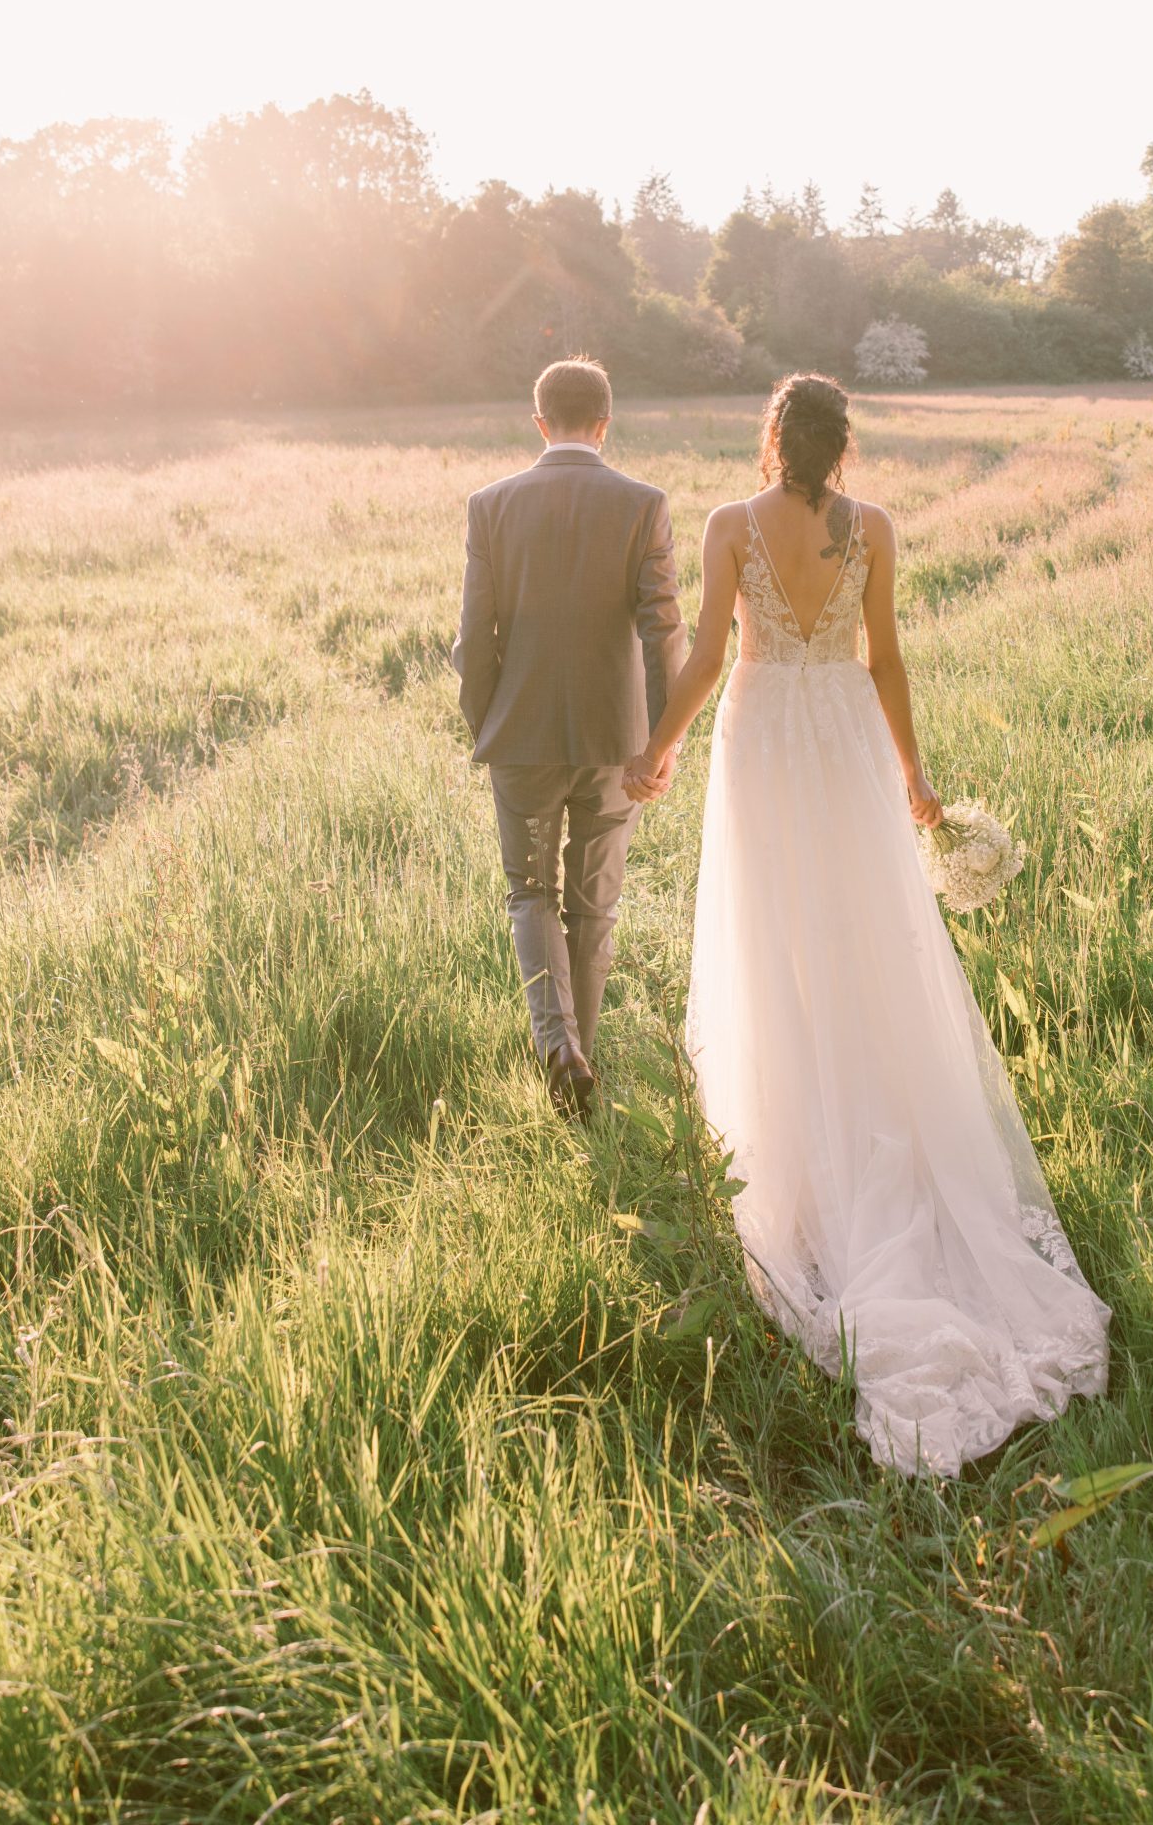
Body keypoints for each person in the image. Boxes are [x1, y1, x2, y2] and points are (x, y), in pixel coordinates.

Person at [624, 372, 1110, 1475]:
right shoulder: (874, 528)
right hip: (842, 737)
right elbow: (884, 656)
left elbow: (705, 657)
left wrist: (655, 750)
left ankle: (799, 1155)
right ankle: (871, 1120)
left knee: (776, 938)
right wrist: (916, 776)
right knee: (862, 934)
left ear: (771, 442)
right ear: (842, 448)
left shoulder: (729, 524)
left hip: (761, 739)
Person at [453, 356, 686, 1117]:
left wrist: (484, 722)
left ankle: (559, 1048)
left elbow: (473, 636)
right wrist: (658, 741)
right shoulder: (642, 504)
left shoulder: (490, 505)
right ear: (606, 422)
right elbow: (663, 633)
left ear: (540, 421)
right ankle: (577, 1067)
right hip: (615, 743)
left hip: (517, 734)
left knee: (530, 893)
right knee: (593, 906)